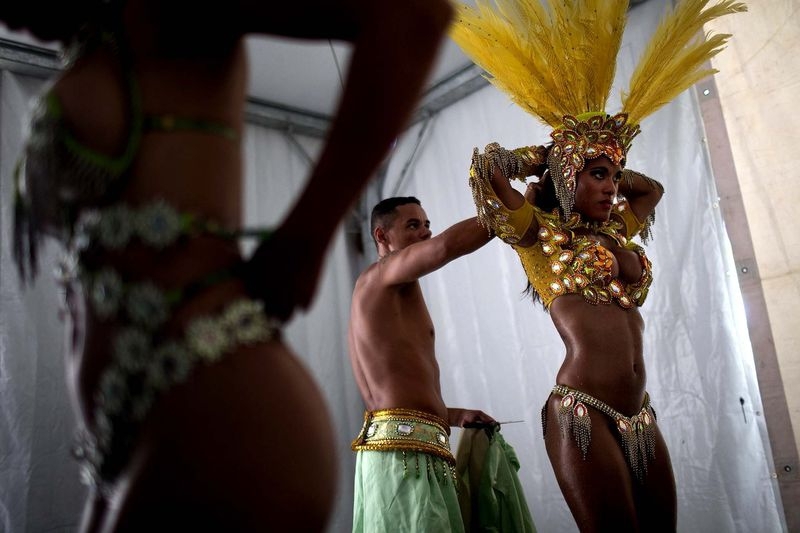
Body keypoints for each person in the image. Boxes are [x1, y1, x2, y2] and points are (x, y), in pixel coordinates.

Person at [2, 0, 454, 530]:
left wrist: (305, 238)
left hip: (220, 410)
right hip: (132, 435)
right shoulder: (92, 49)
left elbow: (411, 17)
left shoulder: (161, 12)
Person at [451, 0, 745, 530]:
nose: (612, 188)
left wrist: (602, 155)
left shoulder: (614, 230)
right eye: (599, 177)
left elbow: (651, 190)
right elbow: (488, 167)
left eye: (614, 178)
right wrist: (550, 158)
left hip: (640, 412)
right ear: (568, 179)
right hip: (581, 409)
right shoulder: (538, 234)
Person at [348, 196, 497, 532]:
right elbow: (445, 247)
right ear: (381, 236)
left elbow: (397, 390)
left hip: (414, 448)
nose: (426, 233)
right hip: (400, 456)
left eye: (427, 225)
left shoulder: (395, 294)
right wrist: (511, 213)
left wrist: (456, 416)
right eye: (412, 225)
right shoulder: (379, 276)